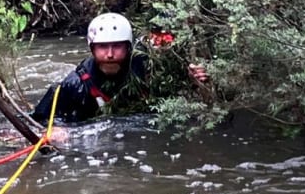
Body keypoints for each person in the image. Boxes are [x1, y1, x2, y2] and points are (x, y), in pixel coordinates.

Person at [30, 12, 208, 125]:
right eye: (102, 47)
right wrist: (55, 129)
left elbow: (176, 91)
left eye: (117, 47)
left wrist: (192, 80)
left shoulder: (147, 69)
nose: (109, 54)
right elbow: (40, 119)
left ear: (128, 48)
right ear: (92, 49)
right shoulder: (75, 84)